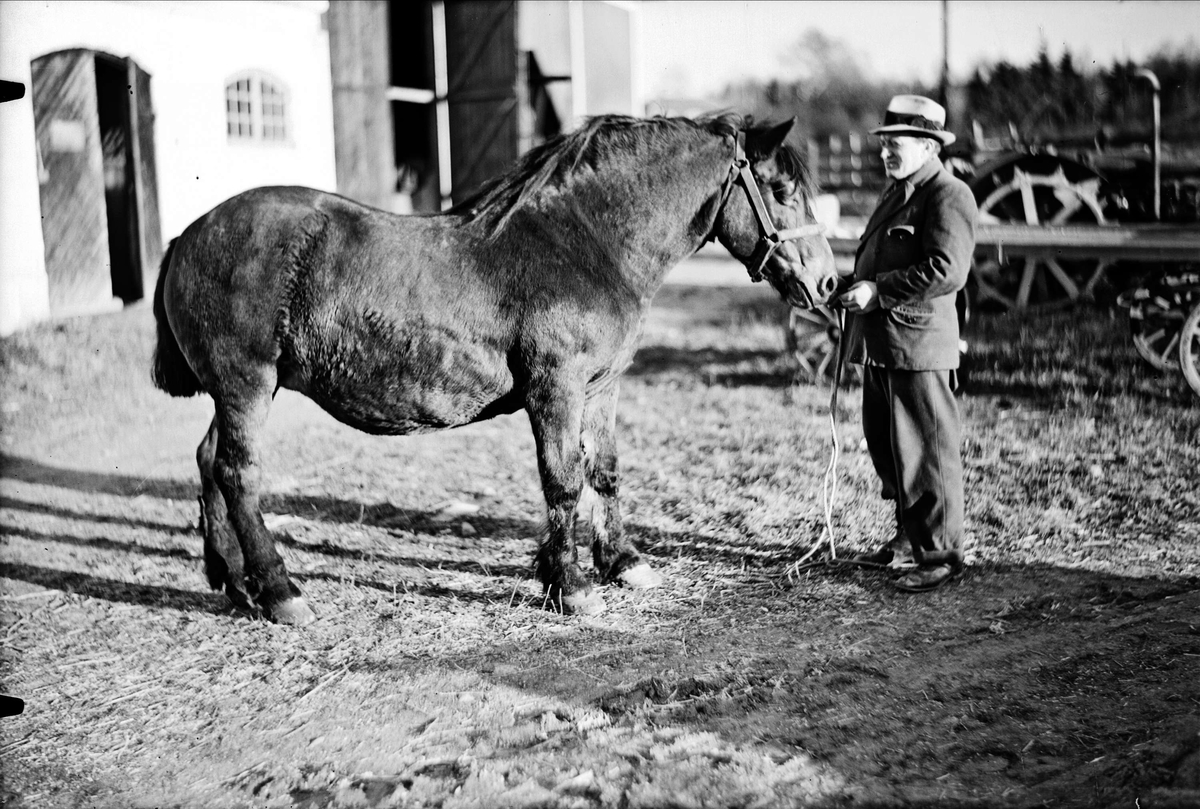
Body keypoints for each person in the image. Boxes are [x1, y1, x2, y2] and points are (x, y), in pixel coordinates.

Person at [838, 95, 977, 593]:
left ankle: (940, 554)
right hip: (882, 344)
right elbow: (876, 261)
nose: (885, 154)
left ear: (926, 146)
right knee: (890, 449)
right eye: (885, 146)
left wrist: (879, 291)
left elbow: (947, 270)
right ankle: (908, 540)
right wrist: (851, 285)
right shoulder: (897, 192)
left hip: (918, 345)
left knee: (927, 453)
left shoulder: (947, 194)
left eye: (894, 145)